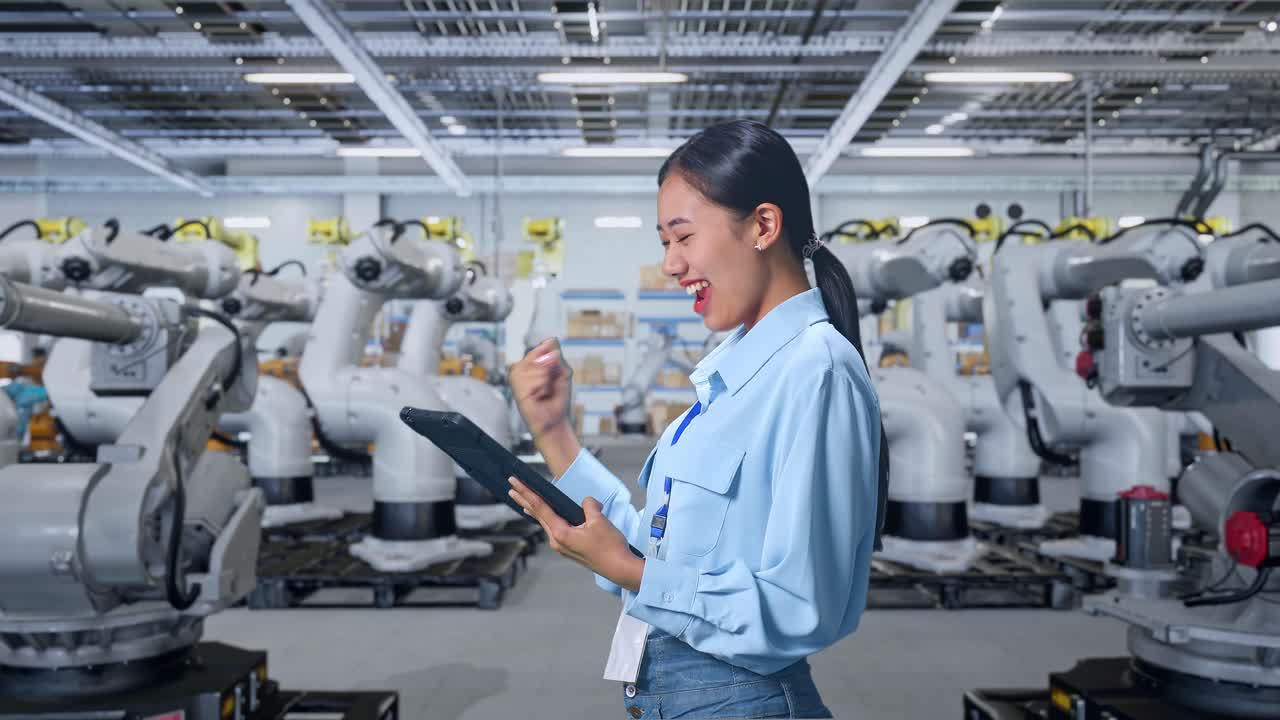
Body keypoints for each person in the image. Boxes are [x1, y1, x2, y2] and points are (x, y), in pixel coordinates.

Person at [508, 119, 885, 719]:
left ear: (763, 225)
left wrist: (630, 573)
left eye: (682, 237)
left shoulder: (816, 372)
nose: (670, 265)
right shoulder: (732, 375)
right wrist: (554, 431)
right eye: (664, 243)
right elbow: (662, 554)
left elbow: (801, 608)